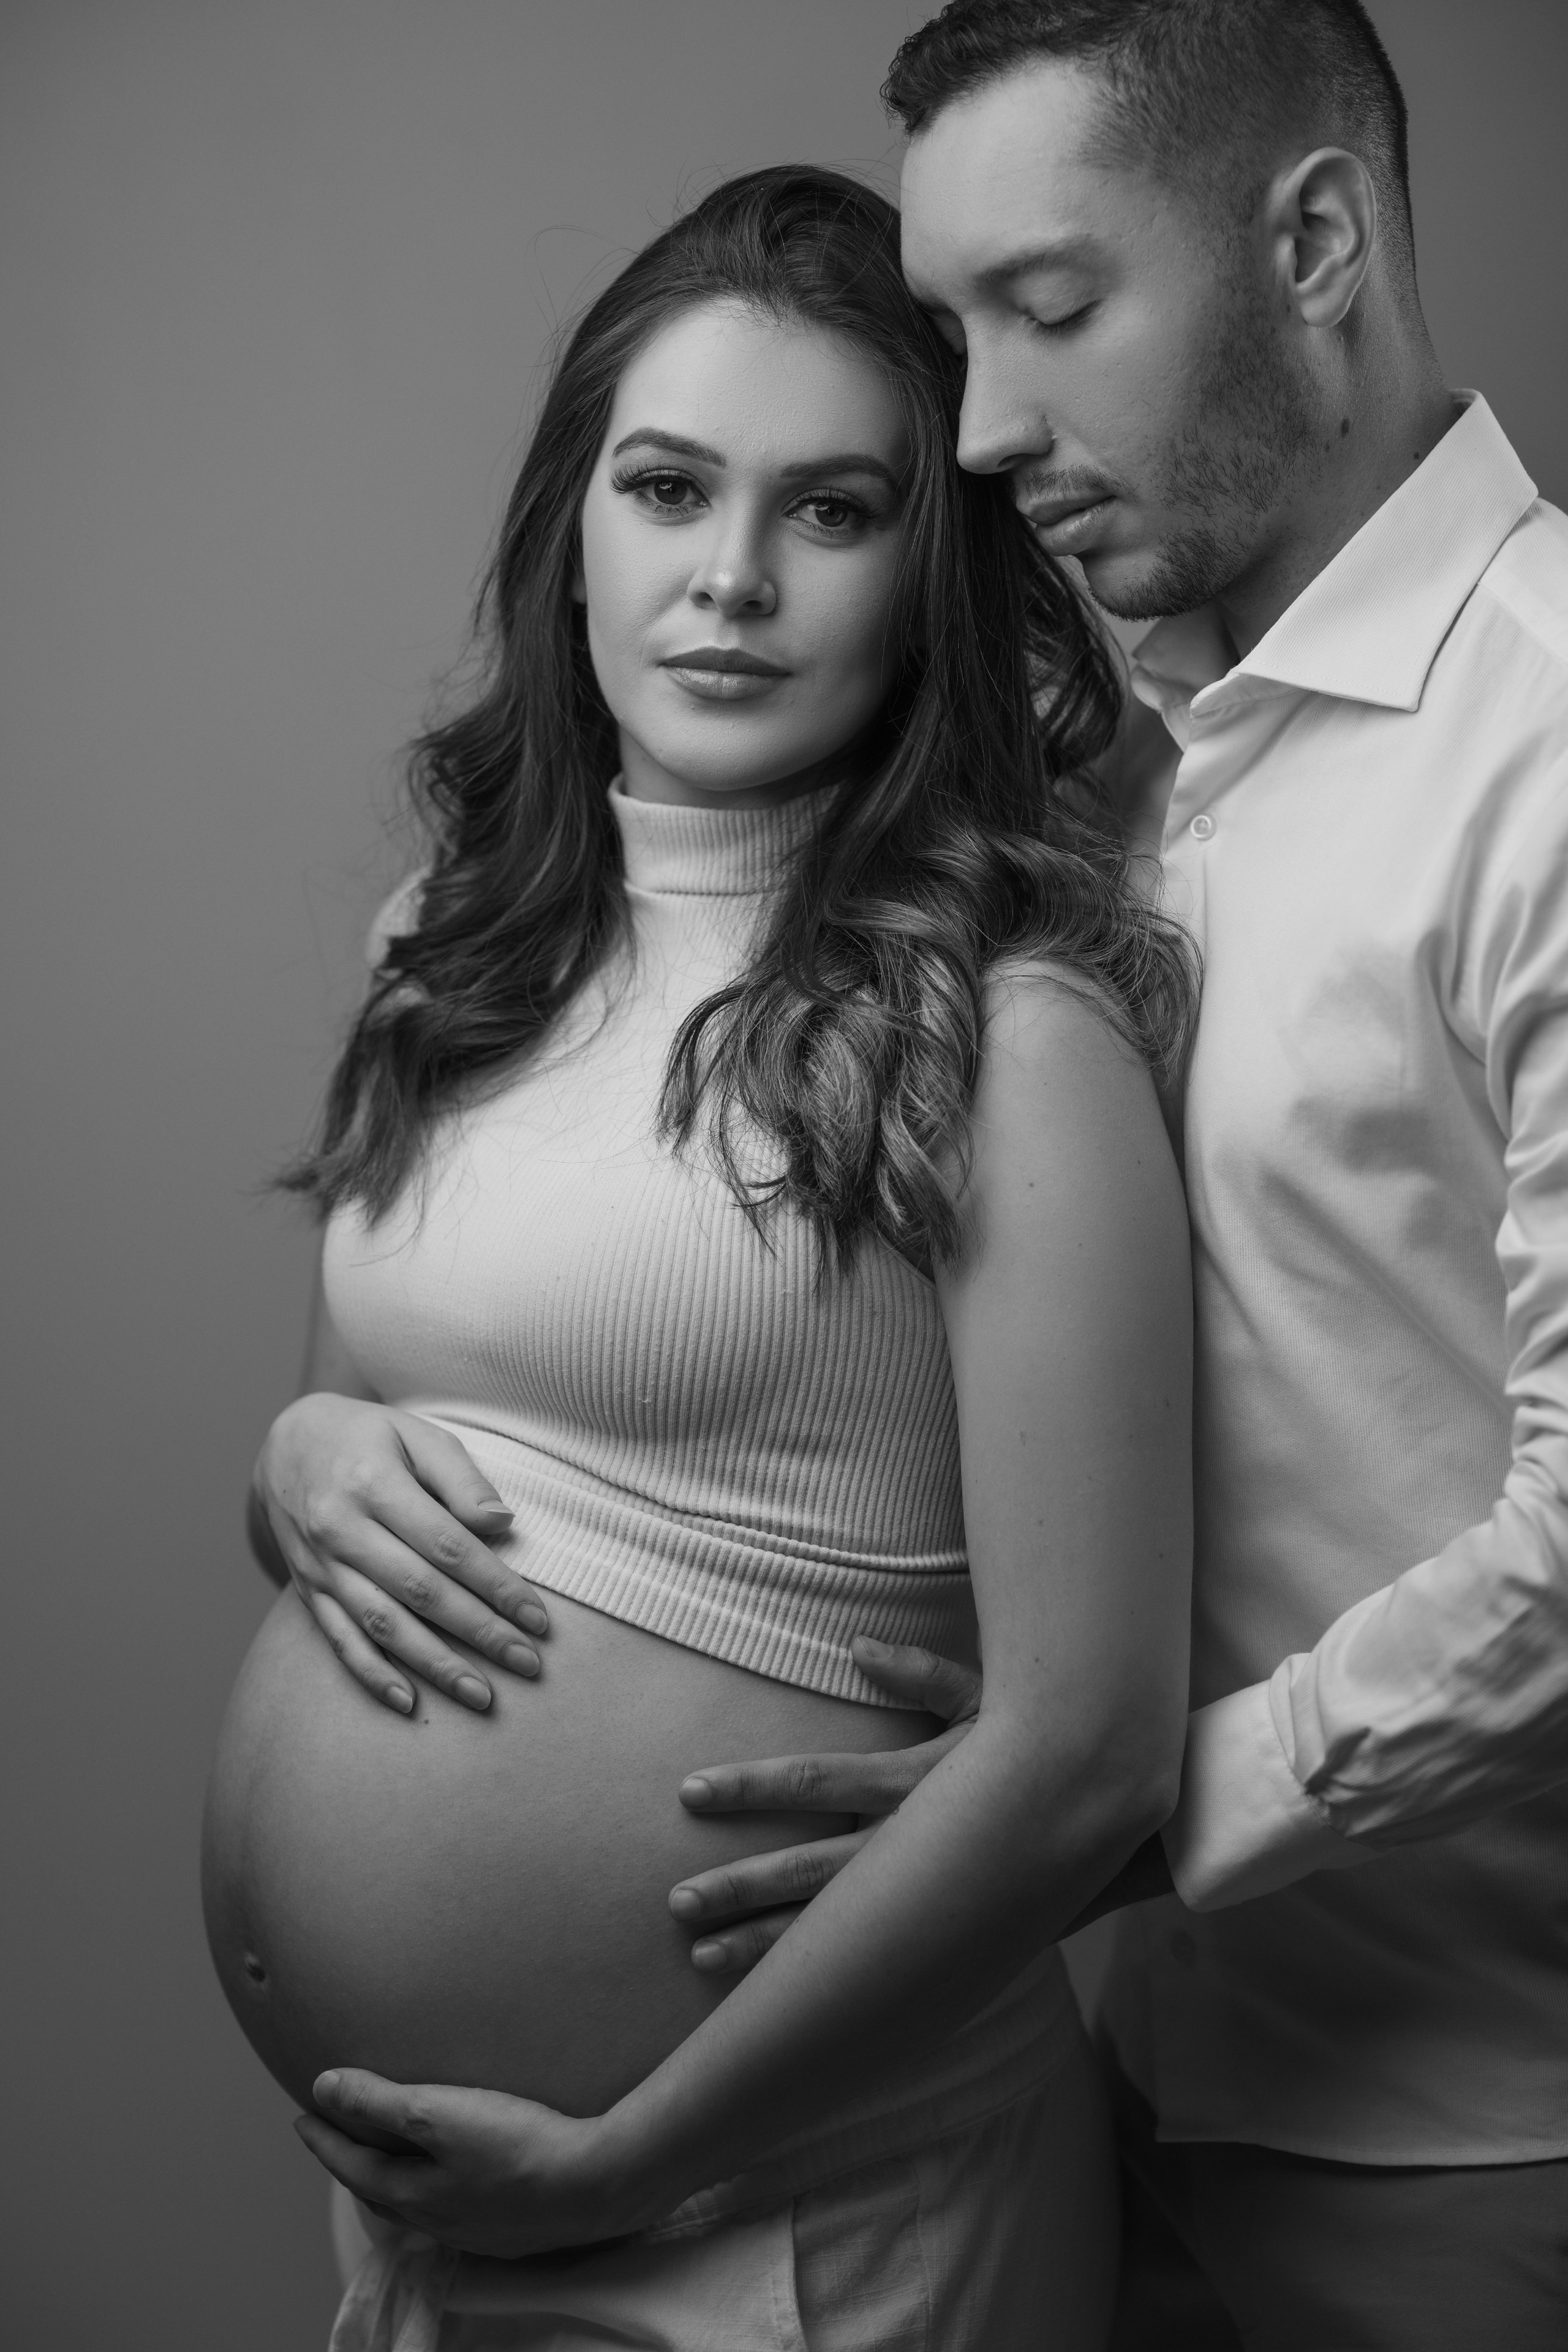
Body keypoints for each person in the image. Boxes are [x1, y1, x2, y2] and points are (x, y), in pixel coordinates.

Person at [627, 6, 1568, 2346]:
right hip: (1074, 2090)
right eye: (956, 340)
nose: (982, 431)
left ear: (1317, 241)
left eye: (1053, 312)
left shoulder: (1546, 756)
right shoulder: (1109, 777)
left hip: (1472, 2132)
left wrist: (1144, 1810)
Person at [218, 165, 1196, 2347]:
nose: (731, 582)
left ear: (931, 570)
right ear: (578, 525)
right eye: (670, 489)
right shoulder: (445, 945)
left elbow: (1093, 1746)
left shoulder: (1001, 1030)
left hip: (809, 2204)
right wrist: (292, 1465)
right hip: (442, 2223)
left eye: (834, 511)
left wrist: (633, 2158)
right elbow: (355, 1449)